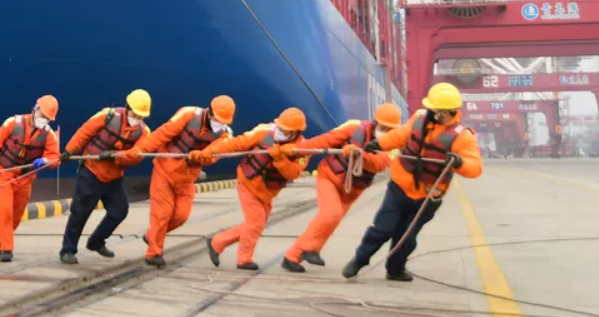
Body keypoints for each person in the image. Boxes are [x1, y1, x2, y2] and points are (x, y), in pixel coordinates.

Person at [343, 83, 482, 281]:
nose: (429, 111)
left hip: (427, 196)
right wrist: (378, 144)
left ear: (445, 113)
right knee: (382, 228)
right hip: (399, 187)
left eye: (434, 109)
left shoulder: (463, 137)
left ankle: (395, 270)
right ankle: (359, 260)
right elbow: (399, 136)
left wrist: (459, 161)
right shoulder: (418, 119)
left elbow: (475, 167)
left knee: (406, 237)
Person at [280, 103, 400, 272]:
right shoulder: (353, 127)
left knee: (329, 221)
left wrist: (359, 153)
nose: (385, 131)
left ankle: (292, 257)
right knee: (331, 214)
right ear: (375, 122)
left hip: (352, 189)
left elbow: (380, 164)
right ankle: (311, 249)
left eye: (389, 129)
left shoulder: (395, 144)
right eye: (383, 127)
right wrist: (296, 150)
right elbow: (324, 141)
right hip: (329, 176)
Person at [123, 95, 236, 266]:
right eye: (218, 120)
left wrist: (203, 156)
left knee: (181, 216)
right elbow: (162, 134)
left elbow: (216, 153)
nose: (220, 124)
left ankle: (151, 236)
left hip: (187, 177)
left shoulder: (225, 135)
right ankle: (153, 253)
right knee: (162, 214)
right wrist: (139, 149)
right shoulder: (188, 114)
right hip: (164, 170)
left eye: (224, 121)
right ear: (210, 112)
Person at [197, 107, 308, 270]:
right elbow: (235, 144)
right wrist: (209, 151)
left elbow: (293, 173)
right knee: (255, 224)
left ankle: (217, 242)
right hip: (248, 182)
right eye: (281, 126)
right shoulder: (262, 132)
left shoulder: (303, 147)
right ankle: (244, 260)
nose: (282, 130)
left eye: (287, 129)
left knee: (256, 225)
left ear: (296, 132)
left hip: (268, 192)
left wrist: (280, 159)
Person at [58, 90, 151, 264]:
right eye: (135, 113)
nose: (137, 118)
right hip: (91, 172)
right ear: (127, 107)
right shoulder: (108, 116)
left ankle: (96, 241)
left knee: (120, 211)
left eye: (141, 115)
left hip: (114, 177)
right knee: (79, 213)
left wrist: (116, 155)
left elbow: (137, 155)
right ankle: (68, 250)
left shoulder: (144, 132)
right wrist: (69, 151)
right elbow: (85, 131)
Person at [0, 95, 62, 263]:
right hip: (2, 172)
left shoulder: (49, 135)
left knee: (17, 215)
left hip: (25, 178)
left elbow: (55, 158)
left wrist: (45, 161)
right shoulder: (12, 123)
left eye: (48, 119)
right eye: (43, 116)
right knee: (5, 211)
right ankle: (7, 250)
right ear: (35, 109)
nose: (44, 121)